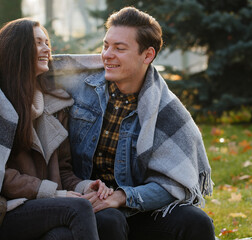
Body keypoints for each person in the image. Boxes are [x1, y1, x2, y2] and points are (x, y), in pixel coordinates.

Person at [0, 18, 112, 240]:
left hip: (45, 207)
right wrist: (55, 194)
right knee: (77, 210)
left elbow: (63, 170)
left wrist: (84, 187)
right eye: (38, 43)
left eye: (47, 42)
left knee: (110, 219)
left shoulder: (56, 103)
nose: (47, 49)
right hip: (3, 211)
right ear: (17, 48)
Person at [60, 7, 215, 240]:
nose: (107, 54)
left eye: (119, 48)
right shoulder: (79, 86)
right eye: (105, 45)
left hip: (136, 206)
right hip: (85, 200)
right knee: (108, 221)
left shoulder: (167, 111)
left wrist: (122, 197)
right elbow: (31, 67)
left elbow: (172, 184)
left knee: (196, 221)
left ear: (148, 55)